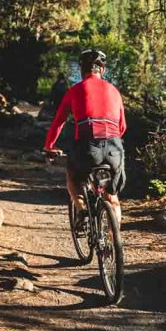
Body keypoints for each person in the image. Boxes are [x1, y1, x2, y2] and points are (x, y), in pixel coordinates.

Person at [43, 49, 126, 225]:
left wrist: (49, 146)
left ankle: (81, 210)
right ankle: (115, 244)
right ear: (102, 70)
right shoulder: (114, 91)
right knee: (113, 198)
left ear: (82, 70)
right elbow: (122, 127)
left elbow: (59, 122)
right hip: (115, 148)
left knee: (73, 177)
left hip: (87, 147)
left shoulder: (75, 90)